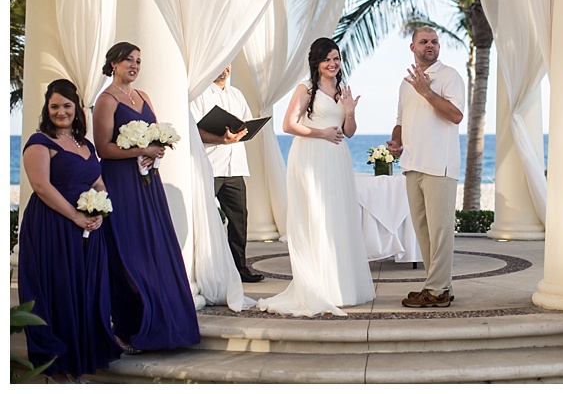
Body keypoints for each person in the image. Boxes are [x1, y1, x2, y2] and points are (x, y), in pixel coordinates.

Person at [93, 42, 200, 353]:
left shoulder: (144, 97)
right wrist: (142, 150)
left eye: (138, 61)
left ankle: (170, 324)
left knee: (157, 249)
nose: (134, 65)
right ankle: (130, 328)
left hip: (147, 182)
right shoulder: (106, 100)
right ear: (113, 63)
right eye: (128, 59)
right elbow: (103, 149)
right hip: (121, 184)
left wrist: (156, 151)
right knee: (129, 252)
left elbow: (152, 138)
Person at [257, 37, 375, 316]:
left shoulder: (341, 90)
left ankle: (341, 287)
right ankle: (320, 288)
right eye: (327, 59)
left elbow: (349, 131)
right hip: (311, 157)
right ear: (317, 62)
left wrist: (350, 112)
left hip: (337, 159)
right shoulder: (305, 89)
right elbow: (288, 125)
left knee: (339, 218)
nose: (333, 64)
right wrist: (321, 133)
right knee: (317, 217)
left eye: (336, 58)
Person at [17, 79, 122, 383]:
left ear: (77, 109)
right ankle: (57, 370)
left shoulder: (85, 145)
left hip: (87, 228)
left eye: (66, 106)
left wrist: (101, 210)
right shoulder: (40, 142)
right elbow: (42, 187)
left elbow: (98, 182)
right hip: (53, 226)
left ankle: (78, 364)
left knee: (84, 293)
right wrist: (76, 217)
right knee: (58, 292)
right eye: (54, 106)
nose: (60, 112)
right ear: (46, 109)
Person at [387, 27, 465, 308]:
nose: (430, 45)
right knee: (424, 232)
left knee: (441, 231)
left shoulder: (450, 76)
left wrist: (427, 92)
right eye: (424, 42)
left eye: (434, 42)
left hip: (439, 165)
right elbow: (400, 119)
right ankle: (440, 287)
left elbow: (456, 116)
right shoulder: (406, 83)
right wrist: (396, 143)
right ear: (413, 48)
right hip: (412, 164)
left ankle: (435, 291)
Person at [191, 64, 264, 283]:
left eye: (229, 64)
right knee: (202, 217)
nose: (225, 68)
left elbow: (245, 124)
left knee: (239, 219)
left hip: (236, 167)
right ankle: (202, 269)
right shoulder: (199, 94)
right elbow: (192, 128)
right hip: (209, 165)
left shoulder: (236, 94)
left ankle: (239, 268)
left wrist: (244, 132)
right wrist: (220, 139)